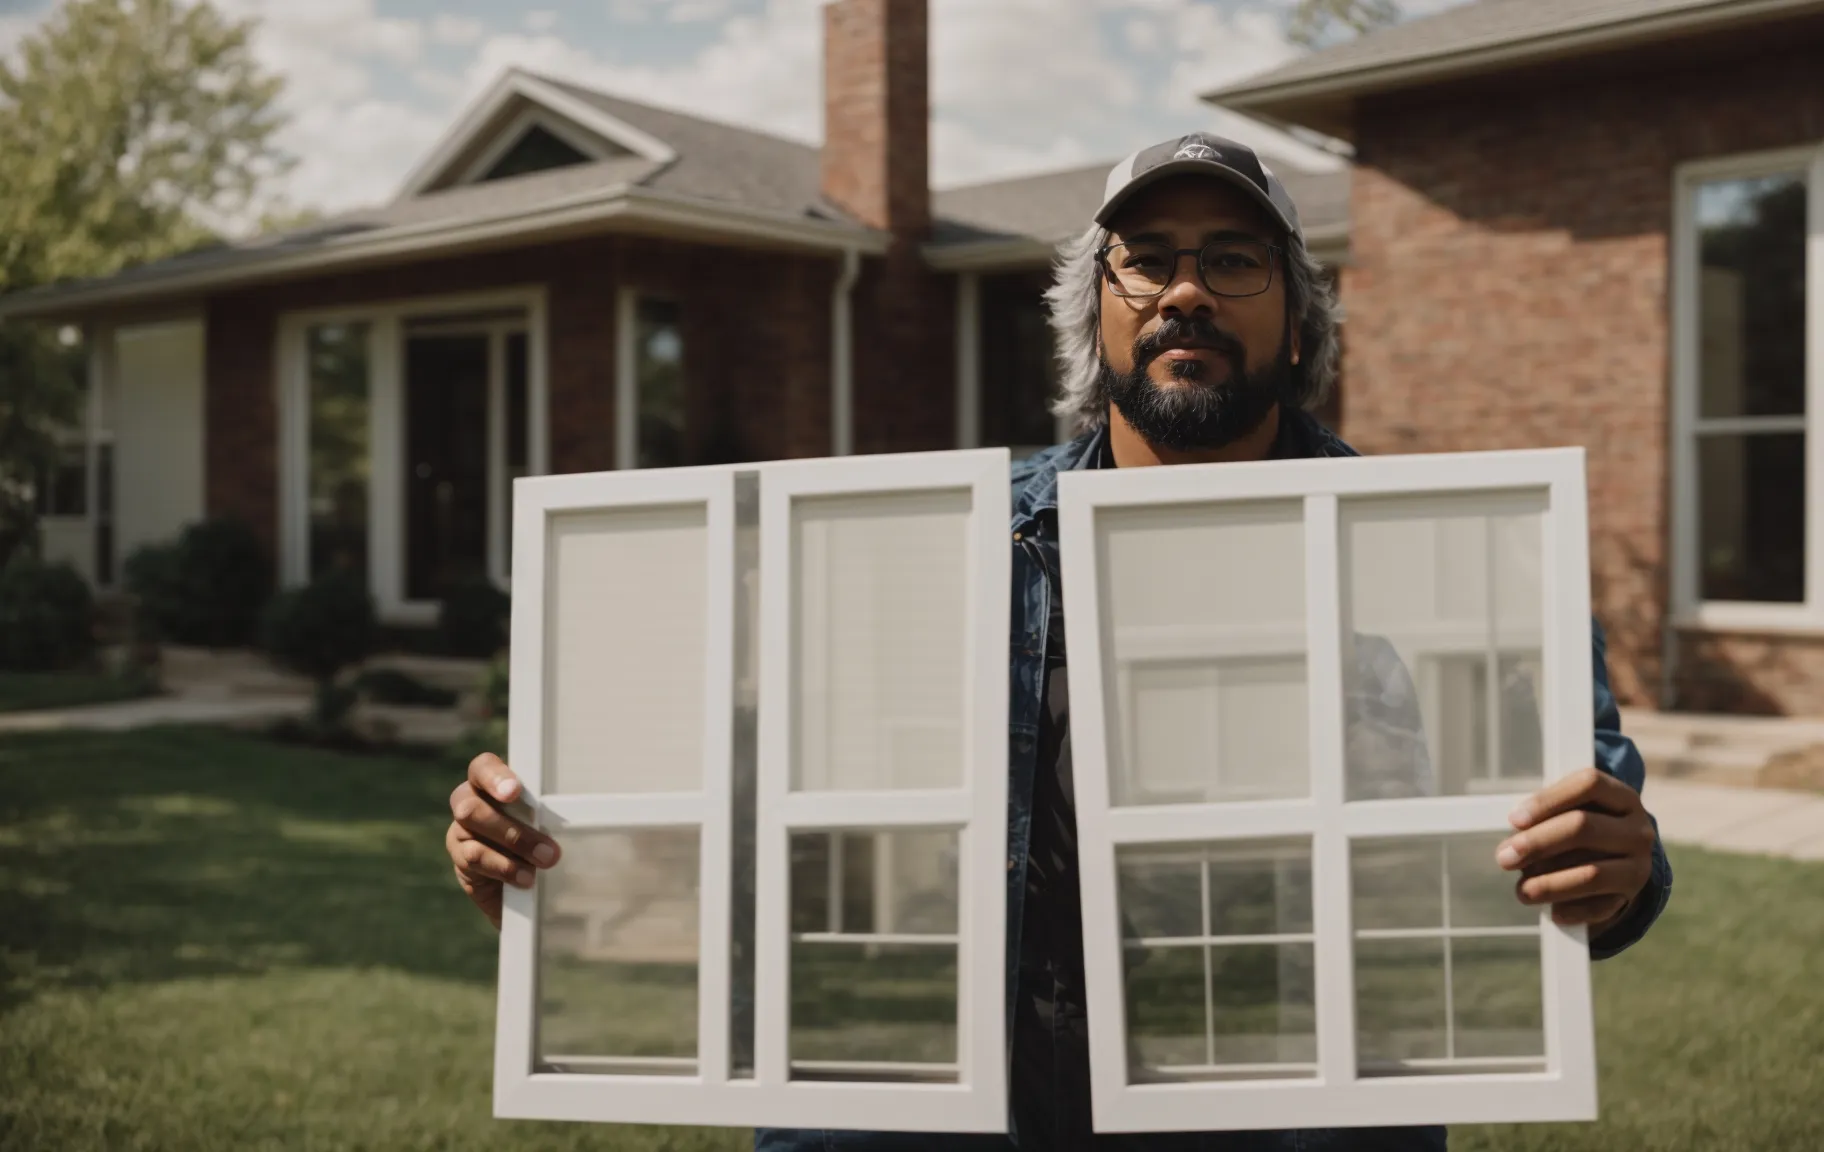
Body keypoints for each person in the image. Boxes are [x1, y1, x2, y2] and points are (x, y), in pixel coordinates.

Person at [445, 132, 1673, 1151]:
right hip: (938, 1116)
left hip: (1282, 1115)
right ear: (1094, 315)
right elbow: (751, 827)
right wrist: (549, 860)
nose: (1183, 290)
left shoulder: (1443, 556)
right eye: (1144, 262)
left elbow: (1596, 841)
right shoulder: (930, 547)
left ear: (1295, 322)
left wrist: (1614, 872)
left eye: (1232, 260)